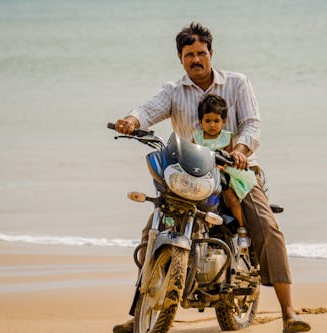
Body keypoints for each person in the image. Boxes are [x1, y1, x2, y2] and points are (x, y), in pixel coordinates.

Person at [113, 22, 311, 333]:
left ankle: (288, 312)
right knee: (151, 232)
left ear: (211, 53)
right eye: (189, 54)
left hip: (235, 171)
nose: (196, 59)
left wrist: (242, 150)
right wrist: (131, 120)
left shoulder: (237, 83)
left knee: (267, 228)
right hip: (190, 174)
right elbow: (148, 109)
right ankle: (142, 311)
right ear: (180, 58)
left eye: (201, 53)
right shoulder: (173, 92)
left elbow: (252, 124)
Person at [194, 93, 254, 248]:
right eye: (208, 121)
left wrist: (221, 167)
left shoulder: (226, 137)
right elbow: (192, 154)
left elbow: (229, 158)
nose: (212, 125)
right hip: (202, 174)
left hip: (222, 173)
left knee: (232, 198)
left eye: (216, 121)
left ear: (224, 121)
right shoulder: (197, 137)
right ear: (201, 121)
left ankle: (242, 228)